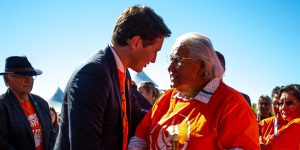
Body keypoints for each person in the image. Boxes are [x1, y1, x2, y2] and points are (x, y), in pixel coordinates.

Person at [54, 5, 171, 150]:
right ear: (136, 42)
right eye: (155, 51)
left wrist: (174, 121)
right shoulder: (93, 74)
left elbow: (135, 117)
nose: (154, 60)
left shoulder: (123, 71)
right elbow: (86, 145)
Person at [128, 33, 259, 149]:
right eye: (170, 59)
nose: (169, 67)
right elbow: (140, 139)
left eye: (178, 60)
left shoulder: (232, 105)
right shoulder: (167, 98)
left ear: (202, 66)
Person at [0, 56, 56, 150]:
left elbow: (51, 134)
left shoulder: (42, 103)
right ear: (7, 79)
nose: (29, 79)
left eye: (31, 75)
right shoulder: (2, 106)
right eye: (22, 75)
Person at [262, 84, 300, 149]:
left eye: (289, 103)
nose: (283, 108)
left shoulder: (296, 124)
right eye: (281, 103)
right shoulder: (264, 123)